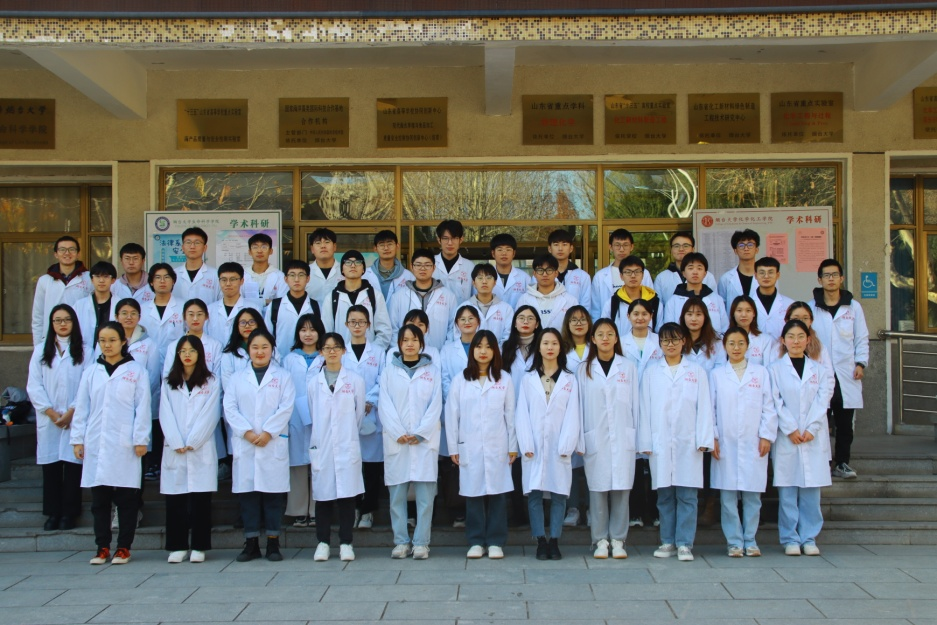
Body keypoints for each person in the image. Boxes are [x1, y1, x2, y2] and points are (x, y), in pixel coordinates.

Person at [71, 322, 152, 565]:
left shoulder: (136, 371)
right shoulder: (91, 372)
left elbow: (143, 408)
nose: (107, 345)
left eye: (112, 340)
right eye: (102, 340)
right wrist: (77, 439)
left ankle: (124, 547)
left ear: (123, 342)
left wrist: (141, 439)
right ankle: (102, 547)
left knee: (127, 499)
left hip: (125, 443)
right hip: (97, 441)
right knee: (100, 501)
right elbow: (82, 407)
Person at [638, 322, 714, 563]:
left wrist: (704, 438)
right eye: (665, 340)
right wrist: (646, 441)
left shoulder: (696, 371)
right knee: (665, 497)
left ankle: (684, 543)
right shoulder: (651, 372)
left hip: (688, 443)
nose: (670, 344)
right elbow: (644, 408)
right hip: (660, 442)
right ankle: (667, 541)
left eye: (675, 340)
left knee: (688, 496)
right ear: (659, 344)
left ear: (683, 342)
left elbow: (704, 407)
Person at [224, 328, 296, 563]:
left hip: (271, 442)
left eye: (265, 347)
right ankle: (251, 543)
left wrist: (268, 433)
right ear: (248, 350)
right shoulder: (237, 378)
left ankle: (273, 543)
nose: (260, 351)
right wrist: (246, 432)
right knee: (249, 497)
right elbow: (230, 408)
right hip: (246, 443)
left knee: (273, 496)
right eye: (255, 347)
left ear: (272, 349)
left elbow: (286, 407)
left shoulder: (283, 377)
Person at [445, 330, 516, 559]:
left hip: (498, 445)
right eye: (478, 346)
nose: (483, 351)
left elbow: (511, 415)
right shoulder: (460, 380)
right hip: (470, 446)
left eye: (488, 346)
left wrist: (512, 445)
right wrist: (453, 447)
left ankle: (495, 541)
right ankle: (475, 541)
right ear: (472, 350)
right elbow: (452, 415)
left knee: (497, 493)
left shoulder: (504, 379)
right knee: (473, 493)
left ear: (495, 351)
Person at [515, 328, 582, 561]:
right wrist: (526, 443)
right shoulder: (528, 379)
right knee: (534, 494)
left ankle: (554, 539)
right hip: (533, 445)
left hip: (558, 444)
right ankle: (540, 540)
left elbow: (573, 414)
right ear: (539, 347)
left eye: (554, 343)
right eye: (545, 343)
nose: (550, 347)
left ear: (560, 348)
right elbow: (521, 413)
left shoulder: (569, 379)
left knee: (559, 494)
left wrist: (567, 444)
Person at [710, 328, 777, 558]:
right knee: (728, 497)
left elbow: (769, 406)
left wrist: (766, 435)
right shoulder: (717, 374)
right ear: (724, 346)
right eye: (731, 343)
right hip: (725, 442)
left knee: (752, 496)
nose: (736, 347)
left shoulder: (761, 373)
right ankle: (734, 542)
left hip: (753, 441)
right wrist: (713, 437)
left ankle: (750, 539)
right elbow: (711, 408)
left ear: (748, 346)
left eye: (740, 343)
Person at [770, 319, 835, 556]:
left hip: (812, 436)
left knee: (811, 491)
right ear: (783, 340)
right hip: (788, 436)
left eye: (800, 337)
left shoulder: (820, 370)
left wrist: (811, 428)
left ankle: (809, 538)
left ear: (808, 340)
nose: (796, 341)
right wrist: (790, 428)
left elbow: (823, 401)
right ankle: (790, 538)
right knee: (788, 491)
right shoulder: (774, 370)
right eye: (791, 336)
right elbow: (775, 401)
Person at [379, 325, 442, 560]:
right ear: (399, 344)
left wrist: (421, 433)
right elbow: (384, 404)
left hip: (423, 442)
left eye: (414, 340)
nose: (409, 344)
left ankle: (422, 542)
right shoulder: (389, 372)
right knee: (397, 497)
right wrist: (397, 432)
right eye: (405, 340)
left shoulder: (432, 371)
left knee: (425, 498)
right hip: (398, 441)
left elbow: (436, 404)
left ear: (421, 343)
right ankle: (401, 542)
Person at [578, 318, 638, 559]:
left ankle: (619, 539)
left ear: (616, 338)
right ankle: (600, 539)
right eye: (600, 334)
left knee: (622, 489)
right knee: (598, 489)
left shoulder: (628, 367)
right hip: (595, 436)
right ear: (592, 339)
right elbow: (579, 406)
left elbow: (636, 404)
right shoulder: (584, 369)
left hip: (623, 435)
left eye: (610, 334)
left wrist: (638, 436)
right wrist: (579, 438)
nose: (605, 338)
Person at [27, 304, 91, 532]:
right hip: (49, 419)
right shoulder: (40, 351)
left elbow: (86, 384)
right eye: (57, 320)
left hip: (75, 417)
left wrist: (72, 412)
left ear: (74, 322)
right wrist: (52, 412)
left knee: (73, 467)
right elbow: (34, 385)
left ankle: (69, 514)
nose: (62, 324)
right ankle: (53, 513)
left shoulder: (85, 351)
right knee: (51, 467)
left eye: (67, 319)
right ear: (51, 324)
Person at [159, 335, 222, 563]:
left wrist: (194, 440)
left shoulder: (211, 381)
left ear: (200, 354)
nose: (187, 355)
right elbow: (165, 412)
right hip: (175, 448)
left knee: (200, 501)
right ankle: (177, 546)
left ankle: (199, 546)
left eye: (192, 351)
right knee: (175, 500)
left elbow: (211, 413)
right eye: (183, 351)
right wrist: (176, 441)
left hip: (200, 447)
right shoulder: (169, 382)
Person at [308, 333, 366, 562]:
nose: (332, 351)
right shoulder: (314, 383)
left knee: (347, 497)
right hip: (322, 445)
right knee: (323, 497)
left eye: (336, 347)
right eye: (327, 348)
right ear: (320, 352)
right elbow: (313, 412)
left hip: (346, 443)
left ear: (344, 350)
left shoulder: (355, 380)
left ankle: (346, 542)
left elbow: (358, 415)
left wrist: (346, 435)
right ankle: (322, 542)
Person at [810, 259, 870, 480]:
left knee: (845, 423)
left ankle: (842, 463)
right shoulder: (811, 307)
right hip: (820, 373)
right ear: (820, 279)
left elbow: (861, 337)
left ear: (841, 278)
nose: (831, 279)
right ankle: (823, 463)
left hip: (847, 372)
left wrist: (861, 363)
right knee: (821, 420)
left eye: (835, 275)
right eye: (826, 275)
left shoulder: (853, 307)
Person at [340, 306, 385, 531]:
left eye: (361, 322)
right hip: (346, 414)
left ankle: (368, 510)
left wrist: (369, 400)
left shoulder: (378, 352)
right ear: (346, 324)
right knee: (352, 465)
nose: (357, 326)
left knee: (372, 467)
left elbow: (383, 379)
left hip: (371, 413)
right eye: (353, 322)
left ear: (368, 325)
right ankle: (355, 507)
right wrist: (353, 401)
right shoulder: (341, 352)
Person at [280, 313, 325, 529]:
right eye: (303, 330)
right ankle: (298, 511)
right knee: (297, 464)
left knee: (318, 463)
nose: (308, 334)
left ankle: (317, 510)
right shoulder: (289, 359)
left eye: (313, 330)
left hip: (320, 416)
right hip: (295, 418)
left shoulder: (325, 357)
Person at [620, 299, 661, 529]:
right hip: (628, 403)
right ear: (628, 317)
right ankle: (635, 512)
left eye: (644, 313)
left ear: (651, 316)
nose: (640, 317)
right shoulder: (621, 342)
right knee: (633, 462)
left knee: (654, 460)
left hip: (655, 403)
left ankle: (654, 511)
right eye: (635, 313)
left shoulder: (659, 341)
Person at [439, 305, 481, 529]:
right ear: (456, 324)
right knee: (454, 463)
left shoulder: (485, 346)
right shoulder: (447, 350)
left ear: (478, 322)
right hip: (455, 410)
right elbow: (445, 378)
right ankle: (457, 512)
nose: (466, 322)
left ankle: (478, 510)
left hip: (482, 411)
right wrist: (457, 401)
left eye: (471, 318)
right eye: (462, 319)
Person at [500, 305, 541, 526]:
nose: (525, 321)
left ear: (537, 323)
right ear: (514, 323)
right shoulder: (505, 348)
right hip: (510, 411)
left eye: (530, 318)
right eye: (521, 318)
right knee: (515, 463)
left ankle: (538, 512)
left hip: (538, 412)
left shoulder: (544, 345)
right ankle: (517, 512)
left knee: (537, 460)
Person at [387, 249, 458, 351]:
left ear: (434, 268)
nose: (422, 268)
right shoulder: (398, 296)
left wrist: (445, 352)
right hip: (406, 354)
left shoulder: (448, 296)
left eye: (427, 265)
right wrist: (400, 352)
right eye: (418, 265)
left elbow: (452, 328)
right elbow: (393, 329)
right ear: (411, 267)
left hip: (438, 352)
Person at [560, 305, 591, 527]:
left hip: (593, 411)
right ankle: (572, 508)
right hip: (567, 411)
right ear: (567, 324)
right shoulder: (561, 349)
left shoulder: (596, 347)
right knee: (570, 463)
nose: (578, 324)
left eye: (582, 319)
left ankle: (590, 508)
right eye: (574, 320)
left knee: (591, 461)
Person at [324, 250, 392, 350]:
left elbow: (384, 330)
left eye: (358, 262)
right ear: (342, 269)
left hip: (369, 355)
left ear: (363, 269)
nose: (353, 266)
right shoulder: (331, 298)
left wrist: (374, 351)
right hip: (340, 355)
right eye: (348, 262)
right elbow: (326, 331)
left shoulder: (375, 296)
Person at [32, 236, 93, 346]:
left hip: (82, 337)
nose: (67, 253)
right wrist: (38, 346)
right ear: (56, 254)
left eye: (71, 249)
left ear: (78, 254)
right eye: (62, 249)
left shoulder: (89, 278)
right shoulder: (44, 280)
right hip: (52, 338)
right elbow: (38, 316)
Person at [265, 259, 323, 361]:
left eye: (301, 275)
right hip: (280, 361)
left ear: (308, 278)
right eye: (292, 275)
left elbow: (322, 335)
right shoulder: (275, 306)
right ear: (285, 279)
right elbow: (267, 336)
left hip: (311, 361)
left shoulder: (316, 306)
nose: (296, 279)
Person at [591, 228, 653, 319]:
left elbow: (650, 300)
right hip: (609, 324)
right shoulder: (600, 276)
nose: (621, 249)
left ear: (632, 247)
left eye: (625, 245)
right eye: (617, 245)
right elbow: (595, 310)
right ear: (610, 247)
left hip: (640, 322)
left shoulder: (644, 273)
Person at [661, 252, 729, 333]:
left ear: (705, 273)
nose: (695, 272)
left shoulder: (717, 299)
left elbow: (724, 329)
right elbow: (669, 331)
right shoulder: (673, 301)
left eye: (699, 268)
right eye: (690, 268)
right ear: (684, 273)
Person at [139, 263, 185, 375]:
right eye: (158, 277)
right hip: (147, 361)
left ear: (173, 281)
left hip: (177, 361)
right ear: (151, 282)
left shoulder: (184, 307)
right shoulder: (142, 309)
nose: (162, 281)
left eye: (166, 277)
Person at [653, 232, 717, 308]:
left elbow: (714, 304)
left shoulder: (708, 276)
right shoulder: (661, 277)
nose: (681, 249)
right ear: (671, 249)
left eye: (685, 246)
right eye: (676, 246)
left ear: (693, 249)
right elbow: (658, 307)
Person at [516, 253, 578, 331]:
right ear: (534, 274)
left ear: (556, 273)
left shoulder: (570, 300)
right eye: (540, 270)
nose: (545, 274)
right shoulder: (524, 300)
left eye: (549, 270)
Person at [602, 256, 660, 338]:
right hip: (620, 345)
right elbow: (604, 330)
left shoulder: (655, 302)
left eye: (637, 271)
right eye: (628, 272)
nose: (633, 276)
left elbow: (660, 331)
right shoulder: (612, 303)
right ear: (621, 276)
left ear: (643, 275)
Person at [206, 262, 263, 345]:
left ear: (242, 281)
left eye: (233, 279)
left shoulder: (254, 308)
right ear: (219, 281)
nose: (228, 284)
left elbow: (259, 336)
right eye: (224, 280)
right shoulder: (209, 310)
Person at [457, 263, 513, 345]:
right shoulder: (463, 308)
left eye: (489, 278)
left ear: (495, 282)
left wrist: (495, 351)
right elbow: (457, 335)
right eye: (480, 278)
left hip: (499, 352)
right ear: (473, 282)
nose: (484, 281)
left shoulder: (506, 309)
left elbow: (508, 336)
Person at [543, 229, 592, 312]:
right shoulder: (541, 275)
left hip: (574, 319)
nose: (560, 248)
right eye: (556, 245)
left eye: (564, 244)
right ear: (549, 248)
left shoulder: (583, 276)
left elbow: (586, 305)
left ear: (571, 248)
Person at [74, 261, 119, 346]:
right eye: (97, 276)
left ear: (113, 280)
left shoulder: (120, 304)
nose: (101, 280)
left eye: (106, 276)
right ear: (92, 280)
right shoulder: (79, 305)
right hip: (85, 350)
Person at [363, 229, 414, 303]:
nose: (386, 248)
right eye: (381, 245)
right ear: (375, 248)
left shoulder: (408, 276)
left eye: (390, 244)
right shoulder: (364, 275)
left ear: (397, 246)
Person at [679, 297, 727, 374]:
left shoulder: (717, 342)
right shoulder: (677, 341)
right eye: (689, 314)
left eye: (698, 314)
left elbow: (720, 371)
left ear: (705, 317)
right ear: (683, 317)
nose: (693, 319)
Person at [173, 227, 220, 304]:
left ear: (205, 248)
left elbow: (221, 303)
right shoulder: (173, 274)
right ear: (183, 247)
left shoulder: (216, 275)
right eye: (188, 242)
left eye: (197, 243)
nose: (192, 246)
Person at [751, 257, 793, 340]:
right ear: (755, 275)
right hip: (754, 347)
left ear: (778, 275)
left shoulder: (790, 304)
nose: (766, 276)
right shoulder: (747, 304)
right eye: (762, 272)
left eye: (770, 272)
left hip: (781, 347)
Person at [434, 219, 475, 302]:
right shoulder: (430, 263)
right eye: (445, 238)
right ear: (439, 240)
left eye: (454, 238)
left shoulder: (470, 266)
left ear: (461, 240)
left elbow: (475, 296)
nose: (450, 243)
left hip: (462, 310)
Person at [729, 295, 776, 367]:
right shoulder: (724, 339)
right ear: (733, 313)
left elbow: (768, 367)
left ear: (754, 314)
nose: (744, 315)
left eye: (748, 310)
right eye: (739, 310)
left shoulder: (765, 340)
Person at [717, 229, 760, 306]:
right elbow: (721, 307)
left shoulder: (765, 277)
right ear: (735, 251)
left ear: (756, 249)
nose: (746, 249)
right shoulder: (726, 279)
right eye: (741, 245)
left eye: (750, 244)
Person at [243, 233, 287, 306]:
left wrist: (256, 302)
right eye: (255, 247)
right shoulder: (243, 275)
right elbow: (238, 300)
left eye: (264, 247)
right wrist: (267, 301)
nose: (259, 251)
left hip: (272, 313)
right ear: (249, 252)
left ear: (271, 251)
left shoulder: (280, 276)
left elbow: (282, 302)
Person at [489, 233, 528, 308]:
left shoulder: (524, 278)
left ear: (514, 253)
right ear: (493, 253)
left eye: (508, 249)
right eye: (500, 249)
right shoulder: (485, 277)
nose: (504, 253)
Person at [306, 227, 342, 305]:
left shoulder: (345, 271)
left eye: (327, 242)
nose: (323, 246)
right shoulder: (305, 272)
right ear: (312, 249)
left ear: (334, 247)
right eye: (318, 243)